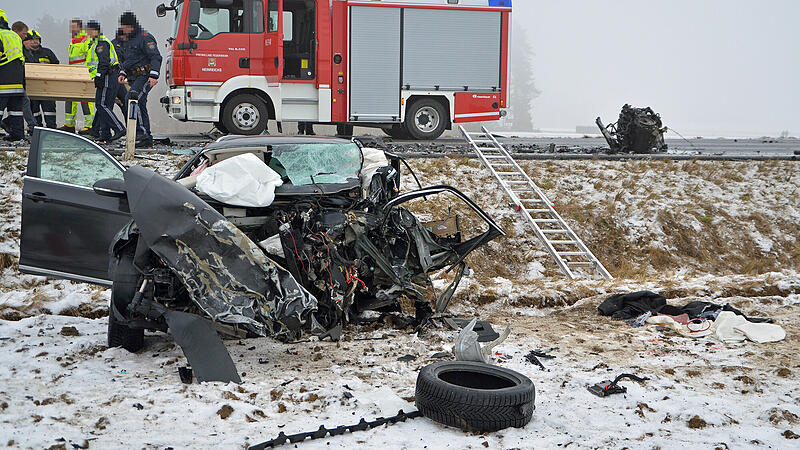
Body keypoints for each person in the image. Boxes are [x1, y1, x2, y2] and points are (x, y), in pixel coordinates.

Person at [118, 11, 161, 148]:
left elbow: (156, 57)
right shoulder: (128, 40)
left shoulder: (145, 38)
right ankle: (145, 137)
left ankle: (141, 133)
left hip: (145, 76)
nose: (121, 28)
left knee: (133, 98)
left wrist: (154, 75)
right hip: (133, 77)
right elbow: (129, 59)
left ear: (130, 26)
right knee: (138, 103)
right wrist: (123, 72)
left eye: (123, 26)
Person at [85, 21, 124, 144]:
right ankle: (104, 134)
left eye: (89, 30)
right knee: (105, 105)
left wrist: (99, 76)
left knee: (101, 105)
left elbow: (104, 61)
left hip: (107, 76)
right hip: (109, 76)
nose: (87, 33)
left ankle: (119, 128)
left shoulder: (101, 43)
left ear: (95, 30)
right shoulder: (97, 42)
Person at [60, 19, 94, 134]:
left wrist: (86, 72)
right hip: (72, 73)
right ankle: (69, 125)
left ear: (80, 28)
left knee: (85, 100)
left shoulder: (86, 39)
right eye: (71, 26)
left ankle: (90, 126)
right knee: (70, 99)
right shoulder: (73, 41)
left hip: (83, 74)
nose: (72, 29)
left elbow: (89, 57)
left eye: (74, 27)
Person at [24, 30, 59, 129]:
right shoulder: (25, 54)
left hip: (47, 88)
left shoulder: (47, 52)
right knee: (34, 111)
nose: (35, 41)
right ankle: (36, 130)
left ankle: (52, 129)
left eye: (37, 39)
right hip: (32, 88)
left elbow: (57, 67)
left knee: (49, 111)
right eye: (32, 39)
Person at [0, 10, 25, 141]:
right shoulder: (13, 35)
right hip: (17, 82)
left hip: (3, 80)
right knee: (16, 112)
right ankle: (17, 135)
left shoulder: (0, 35)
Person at [111, 28, 128, 117]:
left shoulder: (116, 44)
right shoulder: (116, 46)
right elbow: (119, 61)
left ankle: (100, 129)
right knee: (125, 103)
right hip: (117, 76)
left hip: (117, 76)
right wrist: (124, 70)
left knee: (106, 105)